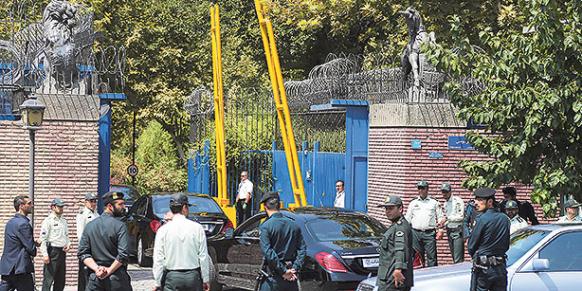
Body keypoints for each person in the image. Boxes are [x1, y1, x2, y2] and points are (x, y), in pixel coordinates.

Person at [153, 193, 210, 291]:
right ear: (184, 207)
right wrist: (206, 279)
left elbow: (158, 258)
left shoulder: (163, 230)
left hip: (172, 277)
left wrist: (157, 282)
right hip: (193, 277)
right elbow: (203, 256)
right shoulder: (197, 228)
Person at [78, 191, 132, 291]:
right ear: (110, 206)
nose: (124, 207)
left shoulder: (90, 226)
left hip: (95, 279)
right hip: (116, 279)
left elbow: (83, 253)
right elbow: (123, 254)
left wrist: (97, 269)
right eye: (120, 204)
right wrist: (108, 271)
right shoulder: (120, 226)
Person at [258, 192, 306, 291]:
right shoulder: (294, 225)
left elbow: (268, 252)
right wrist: (295, 268)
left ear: (264, 207)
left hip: (273, 279)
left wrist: (283, 271)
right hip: (291, 277)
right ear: (279, 205)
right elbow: (302, 249)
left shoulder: (266, 226)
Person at [468, 188, 510, 291]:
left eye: (480, 200)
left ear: (490, 202)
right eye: (476, 200)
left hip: (484, 269)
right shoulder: (505, 218)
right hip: (500, 268)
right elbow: (506, 245)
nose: (476, 203)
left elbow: (471, 246)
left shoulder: (482, 219)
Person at [0, 195, 38, 291]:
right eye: (29, 203)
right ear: (21, 206)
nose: (32, 205)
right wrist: (34, 245)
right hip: (20, 269)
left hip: (8, 268)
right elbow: (31, 249)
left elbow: (16, 242)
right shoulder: (23, 224)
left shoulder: (10, 223)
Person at [376, 195, 414, 291]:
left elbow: (400, 249)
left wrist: (398, 269)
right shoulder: (395, 226)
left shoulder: (400, 227)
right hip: (388, 276)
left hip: (393, 279)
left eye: (391, 208)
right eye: (386, 208)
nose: (388, 211)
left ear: (400, 209)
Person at [404, 180, 445, 267]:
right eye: (419, 188)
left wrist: (440, 230)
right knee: (417, 257)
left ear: (427, 189)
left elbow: (440, 217)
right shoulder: (413, 203)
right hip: (415, 233)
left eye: (423, 188)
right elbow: (407, 219)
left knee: (432, 257)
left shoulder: (434, 202)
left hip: (429, 233)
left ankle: (433, 276)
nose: (421, 190)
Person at [40, 198, 71, 291]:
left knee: (61, 280)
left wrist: (68, 244)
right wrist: (45, 255)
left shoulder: (63, 221)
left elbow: (66, 235)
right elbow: (43, 239)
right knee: (48, 280)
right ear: (53, 207)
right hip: (52, 252)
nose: (61, 209)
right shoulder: (48, 221)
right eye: (59, 206)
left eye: (62, 207)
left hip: (62, 252)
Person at [76, 193, 99, 291]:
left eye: (94, 201)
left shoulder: (96, 214)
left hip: (96, 248)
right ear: (85, 202)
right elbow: (80, 234)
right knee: (84, 275)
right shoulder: (82, 215)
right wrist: (85, 249)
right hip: (87, 248)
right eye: (91, 201)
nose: (93, 203)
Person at [441, 183, 465, 263]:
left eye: (446, 192)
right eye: (443, 192)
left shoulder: (457, 201)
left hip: (457, 230)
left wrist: (447, 218)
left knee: (458, 257)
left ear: (450, 191)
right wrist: (442, 224)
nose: (444, 194)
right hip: (449, 230)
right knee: (454, 256)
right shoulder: (446, 203)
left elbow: (461, 216)